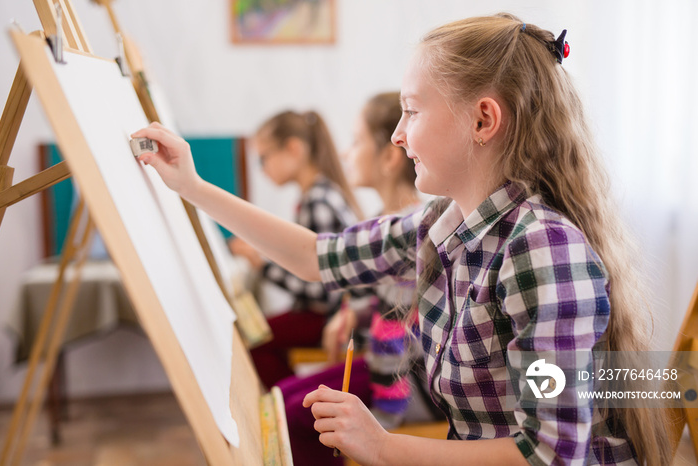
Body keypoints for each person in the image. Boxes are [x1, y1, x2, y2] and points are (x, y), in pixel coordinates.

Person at [133, 13, 671, 466]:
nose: (397, 134)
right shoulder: (440, 224)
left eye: (411, 111)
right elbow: (314, 256)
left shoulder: (542, 249)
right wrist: (192, 185)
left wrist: (383, 446)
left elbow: (549, 452)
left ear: (483, 120)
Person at [276, 92, 443, 466]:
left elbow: (411, 329)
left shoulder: (414, 227)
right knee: (286, 402)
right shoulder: (384, 220)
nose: (348, 153)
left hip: (405, 379)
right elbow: (394, 304)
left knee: (299, 412)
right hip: (385, 365)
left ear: (388, 157)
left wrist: (379, 430)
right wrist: (357, 315)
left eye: (356, 141)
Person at [230, 110, 364, 389]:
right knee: (256, 334)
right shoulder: (318, 194)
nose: (262, 168)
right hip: (324, 312)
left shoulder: (317, 201)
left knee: (253, 339)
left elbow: (321, 288)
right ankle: (292, 396)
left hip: (327, 315)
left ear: (294, 149)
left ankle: (293, 401)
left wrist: (261, 264)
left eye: (264, 157)